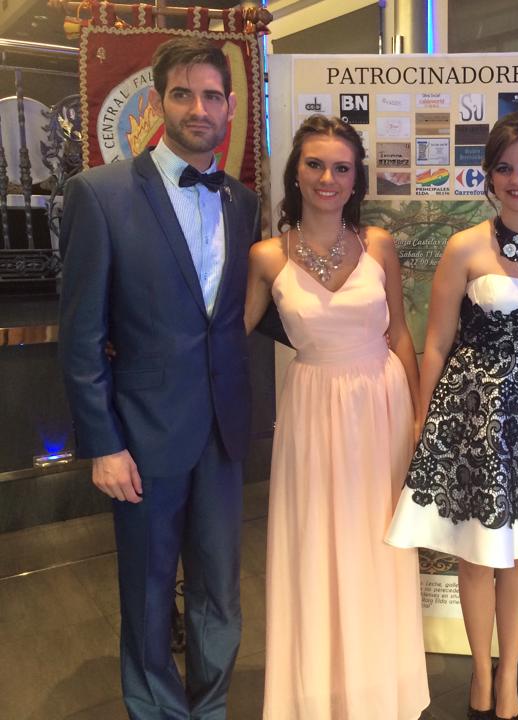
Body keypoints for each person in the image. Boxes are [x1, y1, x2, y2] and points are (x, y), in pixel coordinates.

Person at [57, 38, 259, 719]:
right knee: (147, 592)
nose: (198, 108)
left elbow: (235, 315)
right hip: (142, 435)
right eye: (183, 94)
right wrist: (103, 444)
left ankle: (210, 707)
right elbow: (81, 337)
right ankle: (156, 711)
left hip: (223, 430)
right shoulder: (100, 194)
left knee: (220, 590)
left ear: (229, 107)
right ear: (157, 101)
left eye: (211, 96)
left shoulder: (243, 202)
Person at [387, 110, 518, 720]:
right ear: (489, 176)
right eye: (504, 168)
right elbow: (437, 342)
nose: (516, 179)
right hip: (471, 413)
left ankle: (510, 678)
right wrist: (423, 418)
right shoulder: (465, 245)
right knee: (477, 554)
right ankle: (481, 672)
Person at [244, 114, 430, 719]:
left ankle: (380, 692)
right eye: (316, 165)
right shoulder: (266, 256)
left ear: (356, 179)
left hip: (381, 405)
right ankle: (319, 695)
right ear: (296, 173)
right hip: (312, 410)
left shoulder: (379, 244)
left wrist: (415, 420)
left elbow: (399, 334)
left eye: (341, 168)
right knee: (316, 544)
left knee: (378, 545)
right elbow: (225, 335)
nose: (328, 178)